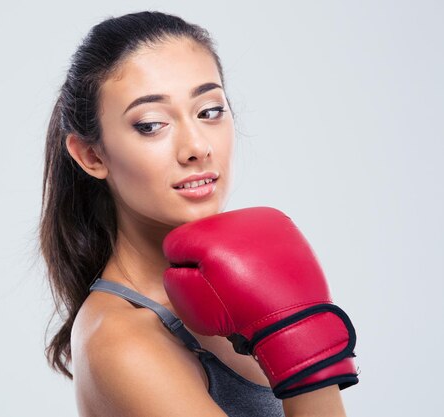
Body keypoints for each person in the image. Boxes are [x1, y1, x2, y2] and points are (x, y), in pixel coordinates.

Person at [39, 11, 357, 417]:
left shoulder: (231, 286)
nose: (197, 147)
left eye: (209, 111)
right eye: (152, 124)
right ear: (92, 155)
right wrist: (301, 340)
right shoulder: (121, 340)